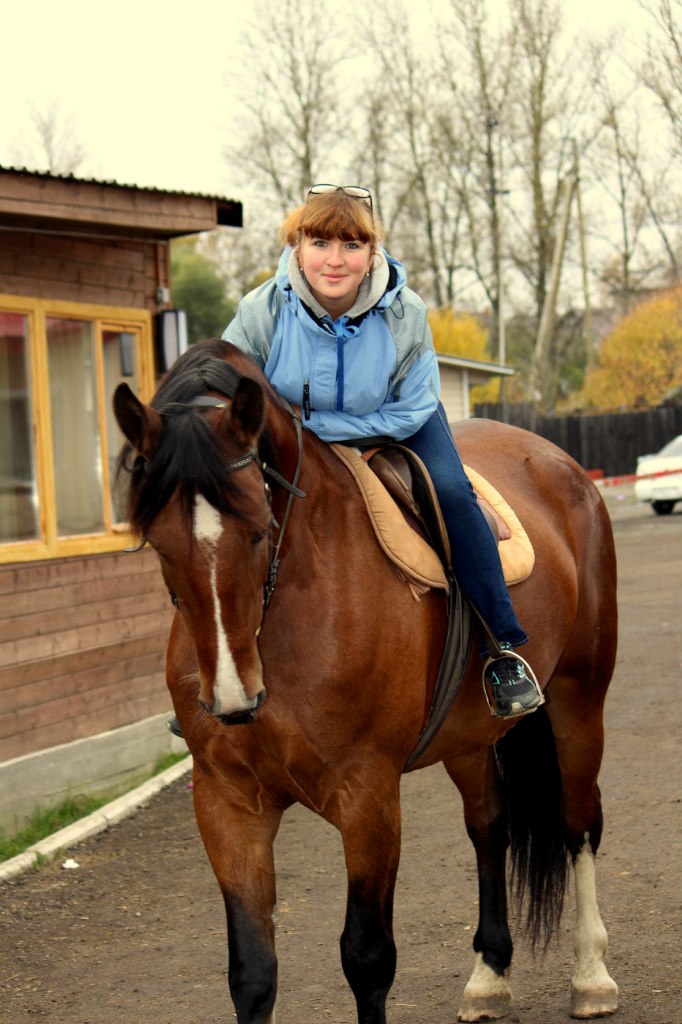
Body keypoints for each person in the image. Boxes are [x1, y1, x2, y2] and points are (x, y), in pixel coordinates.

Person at [222, 184, 543, 718]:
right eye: (320, 242)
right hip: (291, 435)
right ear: (297, 245)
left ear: (372, 253)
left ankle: (502, 650)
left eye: (352, 245)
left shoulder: (404, 311)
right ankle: (219, 671)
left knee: (452, 497)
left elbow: (415, 405)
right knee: (220, 514)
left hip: (397, 423)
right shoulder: (262, 310)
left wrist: (324, 427)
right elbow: (232, 390)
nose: (335, 259)